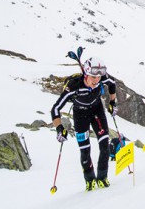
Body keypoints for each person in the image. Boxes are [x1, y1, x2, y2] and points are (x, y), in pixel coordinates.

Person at [51, 56, 117, 191]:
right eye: (93, 77)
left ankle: (102, 177)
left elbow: (112, 84)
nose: (97, 80)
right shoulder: (74, 87)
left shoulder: (102, 78)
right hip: (80, 115)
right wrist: (59, 128)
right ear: (86, 74)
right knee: (85, 151)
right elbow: (55, 109)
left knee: (104, 146)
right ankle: (89, 179)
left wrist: (112, 102)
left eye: (99, 77)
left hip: (97, 111)